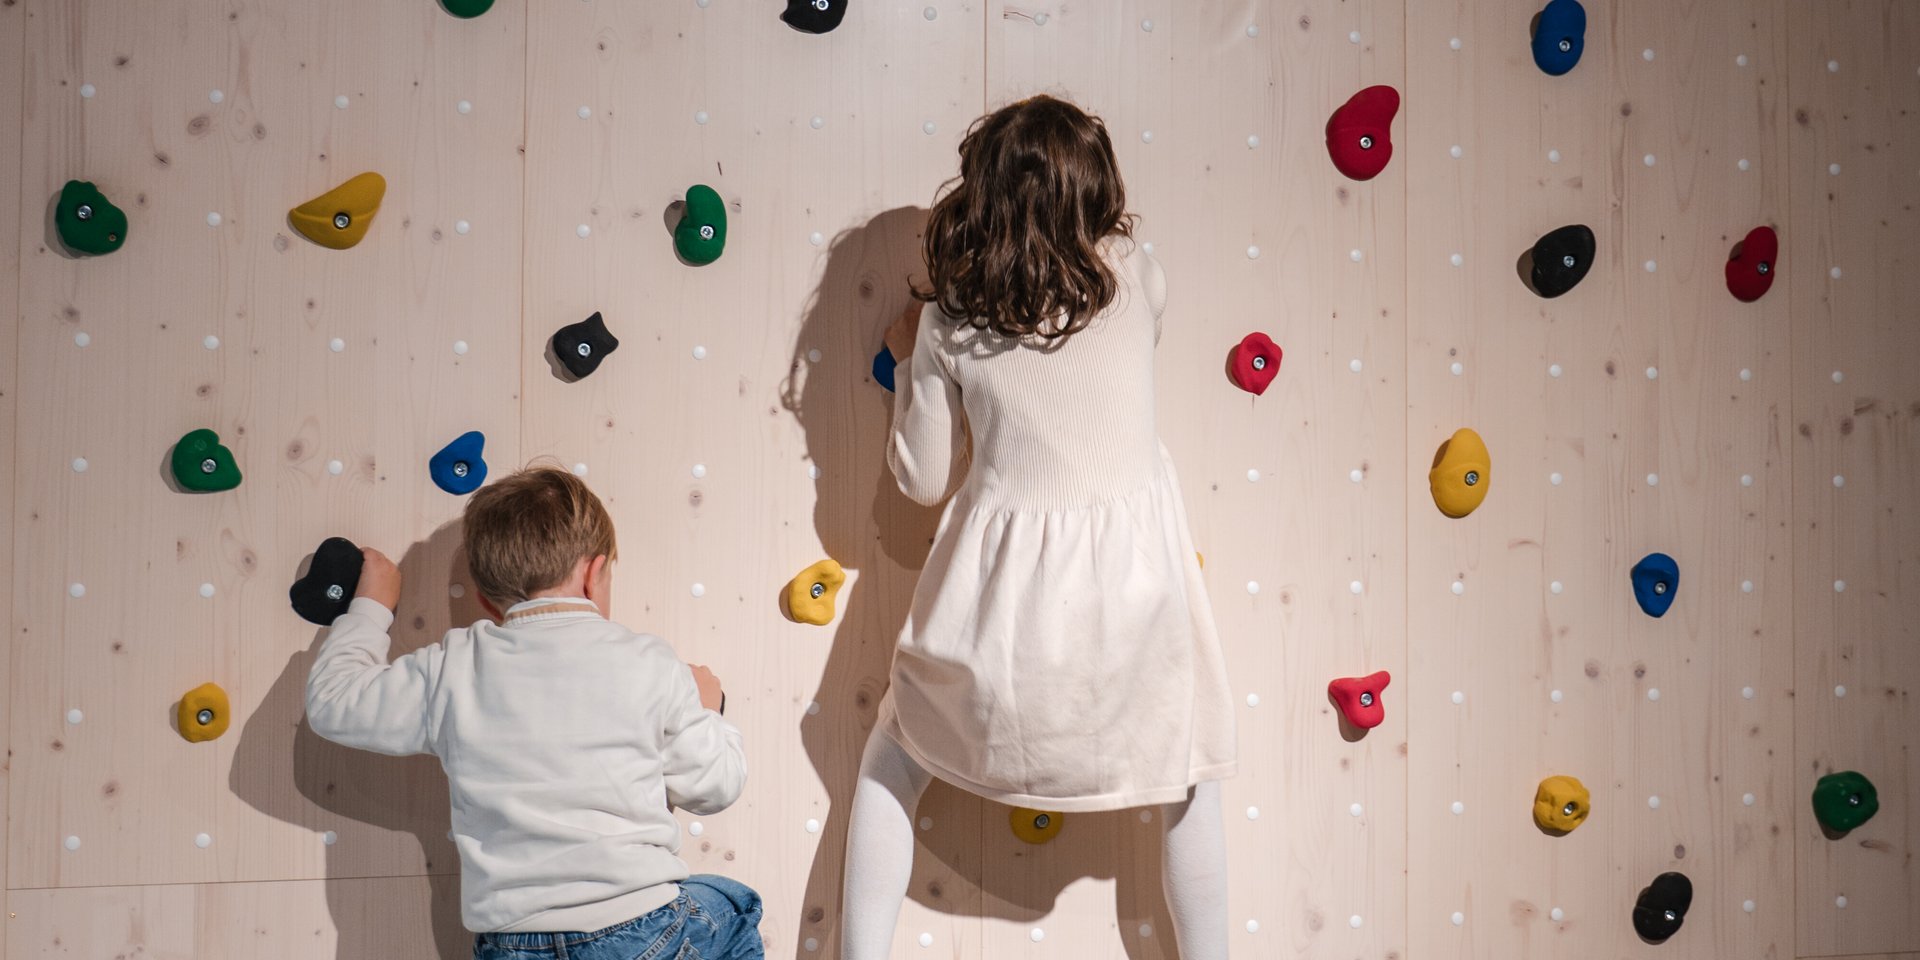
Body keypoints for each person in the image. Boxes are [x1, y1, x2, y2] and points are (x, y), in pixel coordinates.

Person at [841, 95, 1237, 958]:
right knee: (1190, 773)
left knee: (894, 755)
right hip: (1135, 607)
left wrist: (910, 358)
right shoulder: (1136, 275)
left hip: (1008, 622)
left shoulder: (952, 319)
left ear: (980, 195)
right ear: (1095, 190)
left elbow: (921, 481)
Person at [305, 465, 762, 959]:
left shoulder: (454, 668)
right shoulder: (649, 663)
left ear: (485, 601)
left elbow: (333, 700)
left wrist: (371, 606)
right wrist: (707, 709)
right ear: (594, 575)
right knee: (736, 906)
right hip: (639, 928)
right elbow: (715, 788)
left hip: (511, 944)